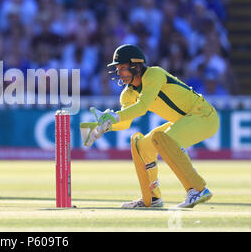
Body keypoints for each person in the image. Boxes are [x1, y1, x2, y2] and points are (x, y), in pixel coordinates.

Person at [80, 44, 218, 208]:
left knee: (164, 139)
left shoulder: (154, 74)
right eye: (117, 68)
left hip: (203, 115)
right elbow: (124, 123)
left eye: (122, 68)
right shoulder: (128, 93)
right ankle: (152, 198)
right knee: (143, 145)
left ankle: (197, 189)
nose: (119, 73)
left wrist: (114, 117)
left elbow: (142, 106)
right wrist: (100, 127)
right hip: (183, 120)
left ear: (136, 66)